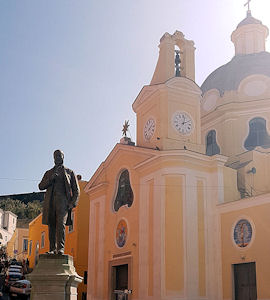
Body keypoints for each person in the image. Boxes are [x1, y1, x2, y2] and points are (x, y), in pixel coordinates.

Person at [39, 150, 80, 254]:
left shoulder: (69, 172)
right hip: (50, 202)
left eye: (59, 156)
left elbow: (77, 190)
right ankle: (52, 249)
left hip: (63, 202)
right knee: (51, 225)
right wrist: (50, 179)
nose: (57, 158)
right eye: (56, 156)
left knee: (60, 224)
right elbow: (40, 186)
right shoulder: (48, 173)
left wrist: (72, 203)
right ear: (53, 158)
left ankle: (60, 248)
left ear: (63, 157)